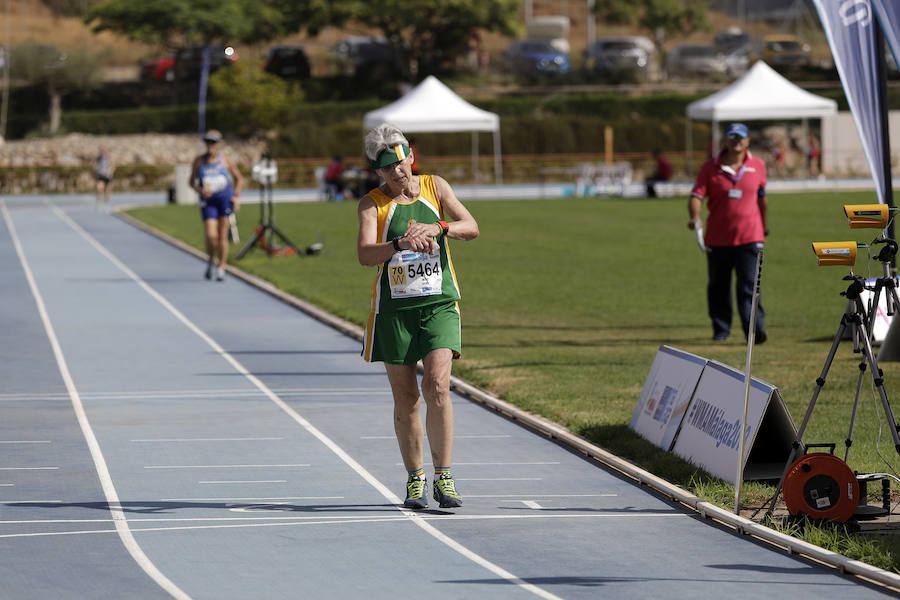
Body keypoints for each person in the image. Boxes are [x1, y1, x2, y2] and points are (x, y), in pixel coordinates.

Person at [357, 123, 479, 510]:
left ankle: (445, 477)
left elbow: (471, 227)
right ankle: (415, 480)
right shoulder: (371, 204)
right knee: (408, 398)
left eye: (401, 161)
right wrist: (398, 244)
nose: (398, 172)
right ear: (378, 172)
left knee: (438, 387)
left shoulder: (435, 187)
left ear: (411, 157)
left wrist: (440, 227)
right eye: (387, 168)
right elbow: (364, 255)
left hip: (439, 302)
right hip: (394, 311)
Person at [688, 122, 768, 344]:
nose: (736, 141)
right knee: (718, 286)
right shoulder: (709, 168)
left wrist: (764, 226)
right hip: (718, 237)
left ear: (747, 141)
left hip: (751, 237)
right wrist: (695, 218)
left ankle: (753, 330)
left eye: (740, 137)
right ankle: (721, 330)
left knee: (749, 286)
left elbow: (762, 198)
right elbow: (696, 196)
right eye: (732, 137)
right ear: (725, 140)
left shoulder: (758, 165)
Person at [189, 129, 243, 282]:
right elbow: (191, 182)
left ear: (218, 144)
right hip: (208, 202)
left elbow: (239, 179)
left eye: (213, 142)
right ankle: (211, 260)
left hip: (224, 200)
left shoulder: (225, 160)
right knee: (211, 235)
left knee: (223, 235)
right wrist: (200, 190)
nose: (210, 145)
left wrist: (236, 197)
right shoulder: (199, 161)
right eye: (208, 142)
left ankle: (221, 267)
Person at [95, 147, 115, 211]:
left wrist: (109, 172)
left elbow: (113, 166)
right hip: (100, 175)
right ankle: (99, 201)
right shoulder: (98, 158)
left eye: (104, 151)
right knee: (99, 187)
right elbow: (94, 166)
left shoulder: (109, 158)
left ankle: (106, 201)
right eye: (102, 151)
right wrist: (97, 171)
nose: (103, 153)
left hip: (108, 176)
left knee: (107, 189)